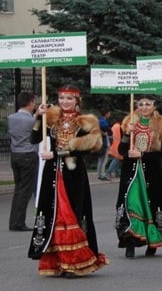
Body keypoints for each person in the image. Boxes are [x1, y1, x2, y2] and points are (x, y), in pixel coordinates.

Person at [29, 85, 108, 277]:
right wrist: (39, 117)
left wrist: (57, 152)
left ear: (77, 101)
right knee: (53, 214)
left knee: (72, 213)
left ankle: (75, 261)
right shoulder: (51, 117)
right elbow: (33, 138)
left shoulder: (86, 121)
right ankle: (58, 260)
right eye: (62, 98)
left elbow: (92, 146)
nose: (65, 102)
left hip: (73, 173)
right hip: (52, 171)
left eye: (69, 99)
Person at [117, 95, 162, 259]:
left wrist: (142, 154)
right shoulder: (129, 122)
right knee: (131, 203)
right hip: (131, 172)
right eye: (141, 104)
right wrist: (126, 135)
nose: (144, 107)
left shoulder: (161, 125)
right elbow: (122, 151)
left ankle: (153, 242)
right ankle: (130, 242)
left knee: (151, 204)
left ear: (154, 105)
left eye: (148, 104)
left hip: (151, 172)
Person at [7, 91, 39, 232]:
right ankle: (18, 222)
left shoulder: (10, 118)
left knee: (18, 189)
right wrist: (38, 116)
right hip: (28, 154)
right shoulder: (31, 121)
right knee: (25, 190)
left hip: (15, 154)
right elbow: (36, 130)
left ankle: (14, 221)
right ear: (31, 103)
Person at [97, 107, 112, 181]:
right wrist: (104, 133)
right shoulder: (102, 121)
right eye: (109, 113)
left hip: (101, 141)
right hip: (104, 142)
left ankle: (99, 174)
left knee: (100, 159)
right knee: (104, 159)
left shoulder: (99, 120)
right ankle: (102, 175)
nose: (110, 114)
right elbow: (108, 129)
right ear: (106, 114)